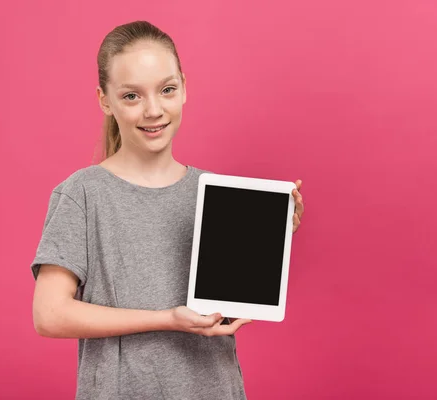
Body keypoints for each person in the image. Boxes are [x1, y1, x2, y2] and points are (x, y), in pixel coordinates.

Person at [30, 20, 304, 400]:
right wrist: (166, 320)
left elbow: (229, 303)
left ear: (184, 88)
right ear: (104, 100)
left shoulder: (220, 194)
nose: (153, 109)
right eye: (131, 96)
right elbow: (49, 315)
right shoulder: (83, 193)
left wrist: (270, 237)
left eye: (167, 90)